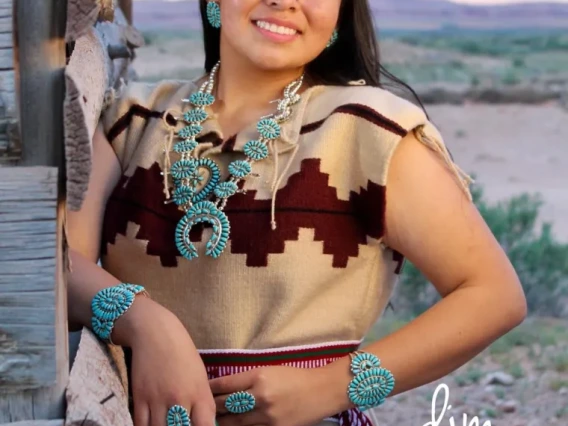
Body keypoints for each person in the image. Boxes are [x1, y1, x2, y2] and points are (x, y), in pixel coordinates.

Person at [66, 1, 527, 426]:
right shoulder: (131, 120)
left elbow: (493, 295)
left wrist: (331, 387)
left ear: (339, 15)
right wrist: (147, 325)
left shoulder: (369, 131)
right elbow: (61, 265)